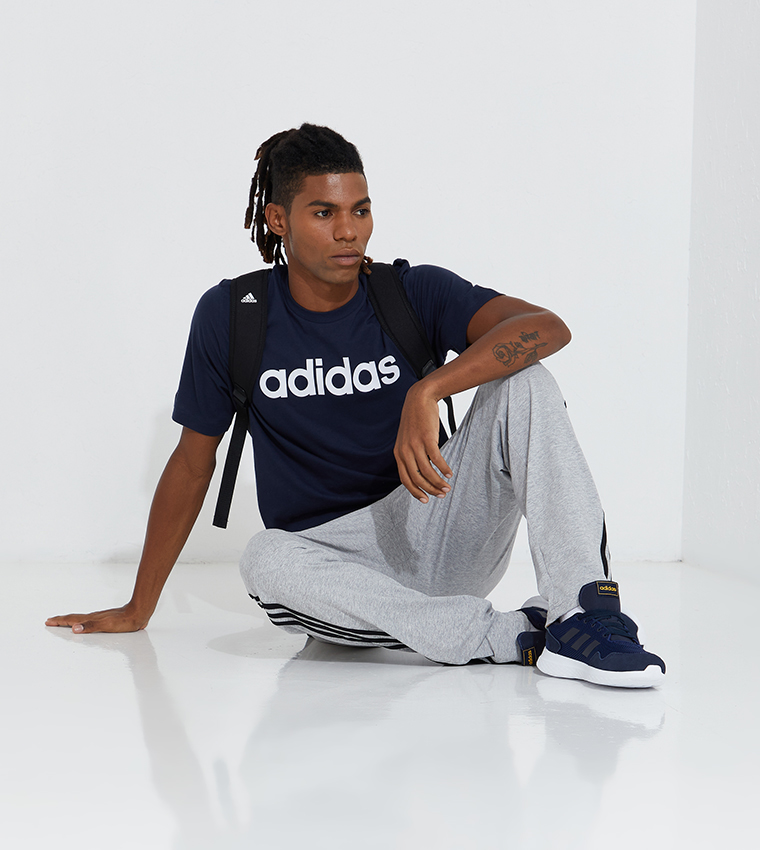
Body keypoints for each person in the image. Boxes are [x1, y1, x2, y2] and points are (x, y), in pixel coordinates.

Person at [47, 123, 665, 688]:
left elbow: (547, 327)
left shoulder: (410, 291)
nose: (349, 231)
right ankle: (510, 637)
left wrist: (429, 388)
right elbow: (191, 462)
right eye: (324, 212)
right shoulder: (233, 315)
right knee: (264, 558)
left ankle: (584, 614)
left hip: (439, 526)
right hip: (330, 568)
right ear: (278, 220)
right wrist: (139, 606)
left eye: (360, 210)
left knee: (524, 381)